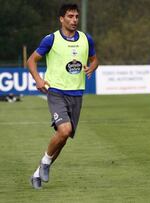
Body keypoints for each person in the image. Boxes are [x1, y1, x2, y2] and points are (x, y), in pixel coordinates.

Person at [27, 3, 99, 189]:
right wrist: (38, 79)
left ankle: (38, 172)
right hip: (56, 92)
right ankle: (45, 163)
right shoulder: (51, 39)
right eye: (70, 16)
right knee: (65, 130)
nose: (74, 20)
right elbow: (31, 60)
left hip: (77, 94)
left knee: (63, 137)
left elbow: (94, 59)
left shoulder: (85, 38)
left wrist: (92, 67)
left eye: (76, 16)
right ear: (61, 19)